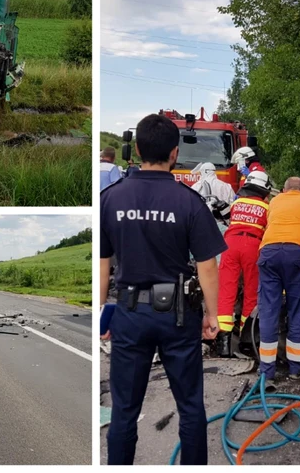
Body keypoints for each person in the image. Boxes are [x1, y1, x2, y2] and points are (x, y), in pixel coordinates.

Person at [100, 113, 227, 465]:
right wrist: (213, 314)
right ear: (174, 153)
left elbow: (104, 264)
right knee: (190, 407)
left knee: (124, 410)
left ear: (137, 149)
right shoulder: (188, 201)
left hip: (129, 314)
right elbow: (207, 266)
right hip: (178, 315)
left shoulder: (111, 199)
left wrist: (101, 312)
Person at [257, 177, 300, 381]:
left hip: (269, 252)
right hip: (298, 253)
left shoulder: (275, 201)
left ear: (284, 190)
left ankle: (267, 370)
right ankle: (296, 368)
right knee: (299, 308)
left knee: (268, 309)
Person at [215, 171, 272, 357]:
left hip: (230, 245)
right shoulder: (266, 207)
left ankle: (223, 342)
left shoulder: (237, 203)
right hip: (253, 246)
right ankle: (246, 337)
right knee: (251, 291)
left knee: (226, 291)